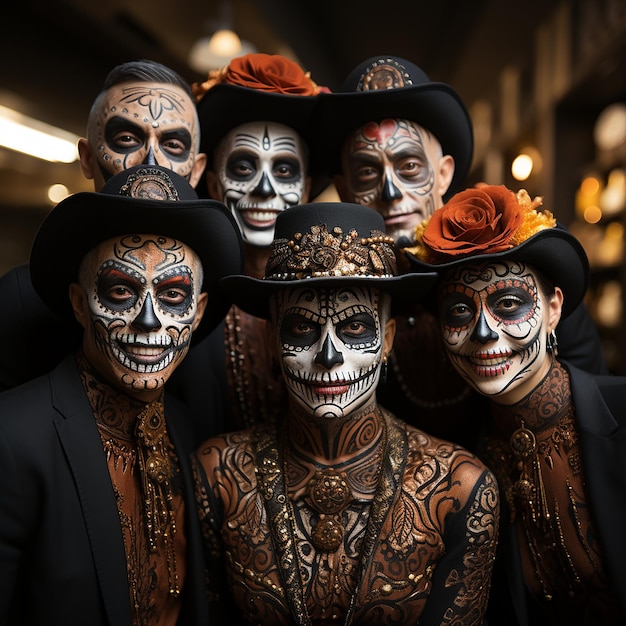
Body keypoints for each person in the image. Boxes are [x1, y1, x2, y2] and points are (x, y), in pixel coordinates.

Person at [192, 202, 500, 625]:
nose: (329, 356)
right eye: (301, 328)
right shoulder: (217, 475)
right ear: (272, 340)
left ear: (387, 338)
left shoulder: (458, 487)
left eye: (355, 327)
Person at [311, 54, 607, 447]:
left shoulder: (517, 261)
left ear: (444, 173)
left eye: (410, 166)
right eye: (367, 171)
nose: (390, 191)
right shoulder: (332, 292)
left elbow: (591, 411)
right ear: (345, 188)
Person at [0, 165, 244, 625]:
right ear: (78, 302)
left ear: (199, 312)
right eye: (120, 290)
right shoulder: (12, 437)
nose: (149, 320)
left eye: (173, 295)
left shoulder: (191, 433)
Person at [404, 184, 626, 625]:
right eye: (459, 313)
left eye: (508, 304)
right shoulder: (459, 469)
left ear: (552, 309)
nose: (483, 333)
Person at [0, 59, 209, 392]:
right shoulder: (20, 302)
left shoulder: (205, 302)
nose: (152, 164)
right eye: (127, 138)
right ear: (87, 157)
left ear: (196, 171)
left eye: (172, 145)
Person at [170, 52, 326, 431]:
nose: (264, 188)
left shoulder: (332, 293)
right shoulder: (178, 299)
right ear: (211, 181)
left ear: (305, 188)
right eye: (243, 166)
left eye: (284, 169)